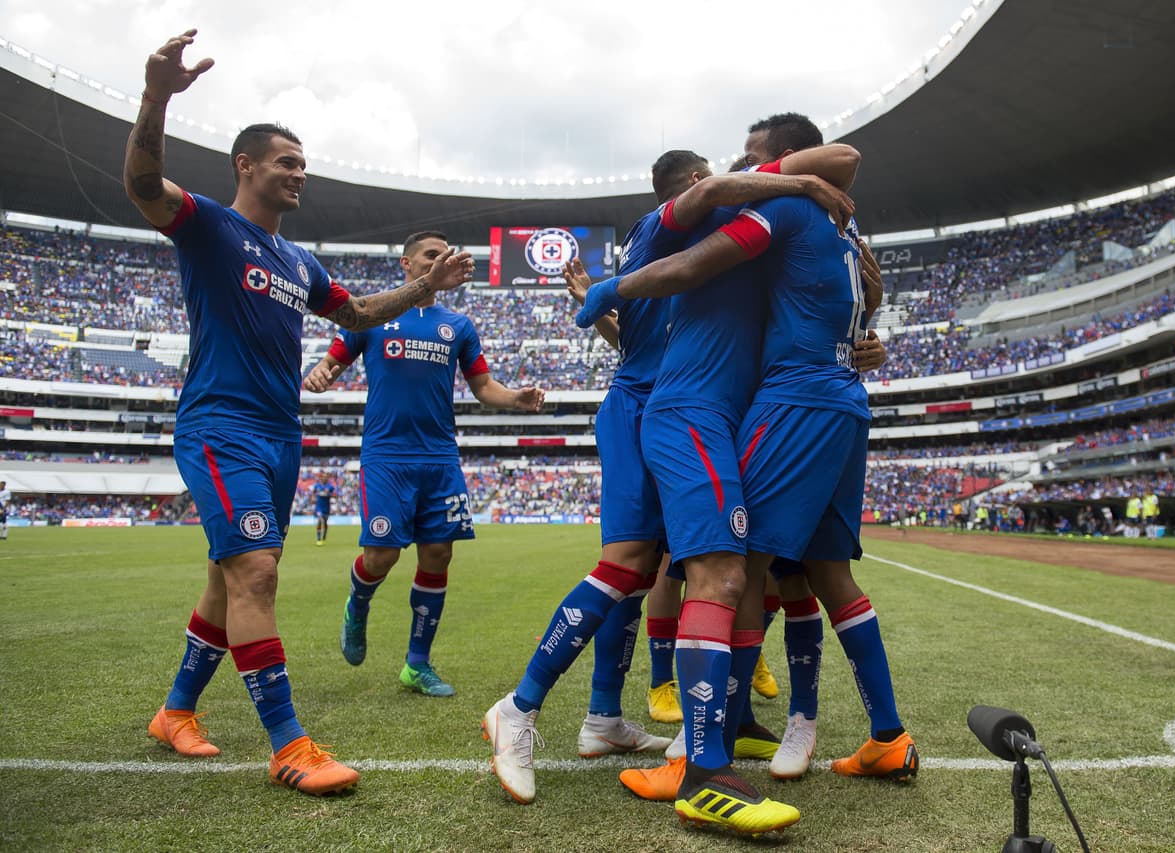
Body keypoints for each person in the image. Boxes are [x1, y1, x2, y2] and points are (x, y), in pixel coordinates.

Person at [126, 30, 473, 797]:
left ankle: (176, 711)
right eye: (287, 162)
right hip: (220, 425)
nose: (300, 174)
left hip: (281, 433)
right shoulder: (213, 226)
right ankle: (289, 744)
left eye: (304, 165)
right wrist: (155, 98)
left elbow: (356, 314)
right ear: (245, 165)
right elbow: (145, 184)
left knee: (229, 581)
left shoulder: (298, 261)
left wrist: (424, 287)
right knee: (255, 570)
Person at [483, 148, 854, 808]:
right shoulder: (669, 225)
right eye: (714, 177)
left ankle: (609, 719)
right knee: (640, 566)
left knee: (659, 569)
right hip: (660, 407)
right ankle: (529, 708)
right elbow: (653, 310)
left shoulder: (729, 249)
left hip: (684, 402)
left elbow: (640, 333)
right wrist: (796, 178)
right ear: (694, 184)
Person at [575, 118, 869, 832]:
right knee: (664, 568)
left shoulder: (775, 226)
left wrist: (855, 341)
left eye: (745, 159)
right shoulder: (688, 226)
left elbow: (843, 164)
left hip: (746, 410)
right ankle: (642, 736)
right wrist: (607, 292)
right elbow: (671, 285)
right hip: (681, 412)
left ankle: (714, 735)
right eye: (720, 171)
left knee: (751, 572)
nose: (734, 172)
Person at [304, 230, 545, 698]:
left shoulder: (458, 325)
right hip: (387, 455)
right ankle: (358, 601)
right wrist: (322, 372)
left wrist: (515, 398)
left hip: (439, 456)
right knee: (382, 556)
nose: (441, 261)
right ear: (407, 265)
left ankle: (417, 663)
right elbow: (332, 361)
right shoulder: (372, 316)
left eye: (445, 254)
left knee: (438, 555)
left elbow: (483, 386)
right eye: (431, 255)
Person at [311, 475, 337, 546]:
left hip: (326, 507)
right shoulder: (317, 486)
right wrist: (313, 499)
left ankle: (324, 537)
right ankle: (319, 539)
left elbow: (335, 495)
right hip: (319, 507)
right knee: (319, 520)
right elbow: (313, 493)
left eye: (326, 477)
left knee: (325, 522)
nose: (324, 478)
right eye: (323, 477)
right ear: (321, 478)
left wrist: (329, 493)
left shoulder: (330, 487)